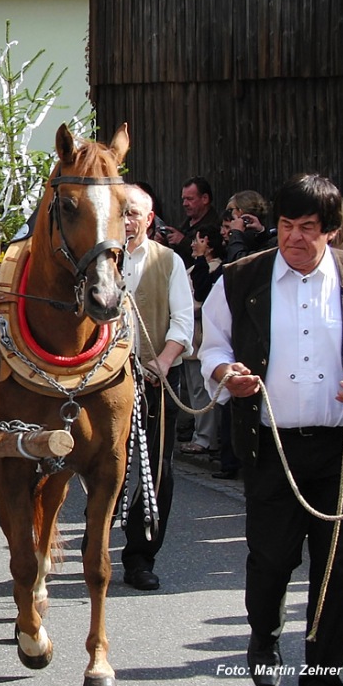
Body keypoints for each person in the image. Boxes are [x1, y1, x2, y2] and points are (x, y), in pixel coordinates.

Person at [200, 174, 343, 686]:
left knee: (336, 571)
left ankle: (323, 675)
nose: (294, 237)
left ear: (332, 232)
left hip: (342, 450)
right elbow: (213, 347)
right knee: (272, 558)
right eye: (286, 225)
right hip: (271, 444)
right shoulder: (239, 278)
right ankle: (263, 636)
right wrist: (228, 375)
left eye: (308, 228)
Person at [119, 184, 194, 592]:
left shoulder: (170, 262)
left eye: (134, 213)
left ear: (149, 219)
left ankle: (140, 557)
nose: (127, 220)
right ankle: (95, 541)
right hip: (103, 380)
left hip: (156, 378)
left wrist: (163, 361)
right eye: (122, 212)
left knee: (156, 470)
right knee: (102, 463)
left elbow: (183, 321)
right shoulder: (100, 259)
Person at [179, 225, 224, 457]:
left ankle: (205, 438)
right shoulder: (195, 267)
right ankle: (201, 434)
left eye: (199, 239)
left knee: (202, 390)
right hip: (191, 335)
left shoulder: (214, 269)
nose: (194, 244)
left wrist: (186, 310)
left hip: (202, 336)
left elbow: (201, 301)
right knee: (194, 389)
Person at [163, 176, 220, 263]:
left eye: (190, 199)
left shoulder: (216, 225)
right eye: (184, 199)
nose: (185, 204)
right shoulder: (185, 224)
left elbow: (210, 255)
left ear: (205, 198)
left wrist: (183, 241)